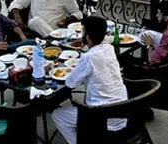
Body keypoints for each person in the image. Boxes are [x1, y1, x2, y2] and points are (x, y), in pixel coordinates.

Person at [52, 16, 127, 144]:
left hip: (102, 117)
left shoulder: (89, 57)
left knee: (57, 115)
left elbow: (70, 83)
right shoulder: (109, 48)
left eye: (83, 31)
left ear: (87, 36)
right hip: (122, 112)